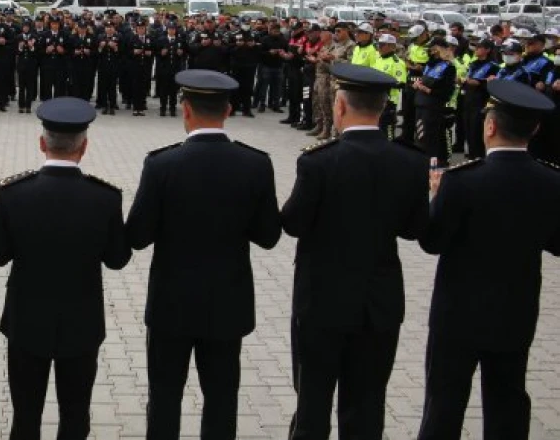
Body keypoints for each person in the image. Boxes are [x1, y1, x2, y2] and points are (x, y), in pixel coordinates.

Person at [126, 70, 281, 440]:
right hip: (228, 302)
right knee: (222, 397)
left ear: (186, 109)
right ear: (228, 111)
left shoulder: (161, 164)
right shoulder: (256, 164)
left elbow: (137, 236)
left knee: (164, 395)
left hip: (171, 302)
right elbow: (269, 237)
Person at [280, 63, 429, 440]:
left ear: (340, 106)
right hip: (378, 303)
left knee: (312, 401)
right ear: (381, 110)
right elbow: (415, 231)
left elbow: (293, 224)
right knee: (366, 404)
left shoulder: (318, 161)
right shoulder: (409, 161)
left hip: (321, 301)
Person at [418, 79, 560, 440]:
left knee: (444, 401)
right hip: (516, 309)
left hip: (457, 313)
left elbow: (433, 243)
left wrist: (435, 199)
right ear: (536, 128)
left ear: (490, 126)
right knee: (508, 399)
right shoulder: (551, 181)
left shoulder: (461, 181)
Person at [0, 97, 130, 440]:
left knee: (25, 417)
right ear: (84, 147)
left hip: (26, 322)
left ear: (41, 143)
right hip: (82, 324)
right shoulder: (105, 198)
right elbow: (118, 259)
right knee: (76, 416)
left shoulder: (13, 193)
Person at [413, 38, 457, 168]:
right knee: (420, 137)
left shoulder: (448, 67)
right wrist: (417, 84)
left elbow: (446, 92)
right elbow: (424, 81)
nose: (430, 52)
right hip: (420, 105)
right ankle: (422, 162)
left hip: (433, 108)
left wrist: (427, 90)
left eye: (433, 49)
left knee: (430, 139)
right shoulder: (429, 65)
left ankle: (431, 165)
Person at [373, 33, 407, 140]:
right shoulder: (378, 60)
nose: (379, 47)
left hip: (388, 101)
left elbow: (400, 83)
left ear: (391, 46)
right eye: (379, 44)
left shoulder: (397, 62)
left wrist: (382, 83)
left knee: (387, 130)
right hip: (376, 99)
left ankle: (390, 151)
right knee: (376, 128)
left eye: (383, 45)